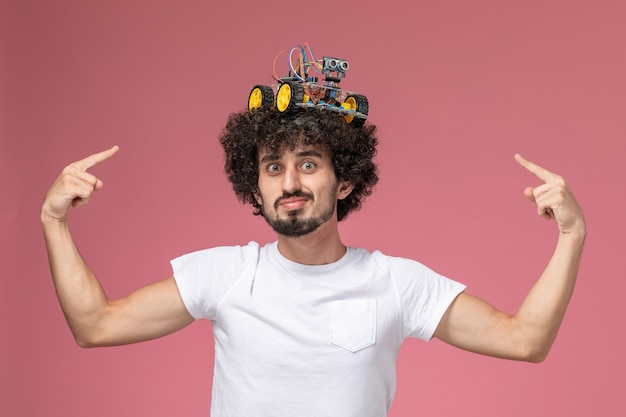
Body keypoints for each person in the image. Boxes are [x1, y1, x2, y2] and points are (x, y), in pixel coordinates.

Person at [41, 107, 585, 417]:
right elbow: (96, 325)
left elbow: (523, 340)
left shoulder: (396, 283)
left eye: (308, 164)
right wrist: (54, 221)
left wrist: (571, 234)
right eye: (273, 167)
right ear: (255, 188)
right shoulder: (227, 274)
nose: (291, 183)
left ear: (344, 180)